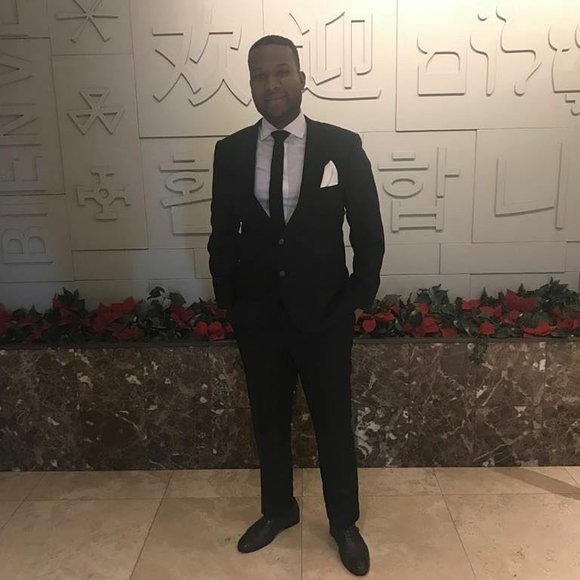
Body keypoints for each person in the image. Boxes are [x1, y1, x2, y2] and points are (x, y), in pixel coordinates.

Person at [208, 34, 384, 577]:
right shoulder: (231, 151)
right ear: (251, 85)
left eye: (281, 71)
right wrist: (230, 300)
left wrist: (356, 299)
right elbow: (222, 233)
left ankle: (344, 523)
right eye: (260, 75)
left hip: (325, 314)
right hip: (259, 316)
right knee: (268, 420)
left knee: (333, 421)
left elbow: (368, 228)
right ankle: (278, 510)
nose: (272, 83)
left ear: (302, 78)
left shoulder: (341, 145)